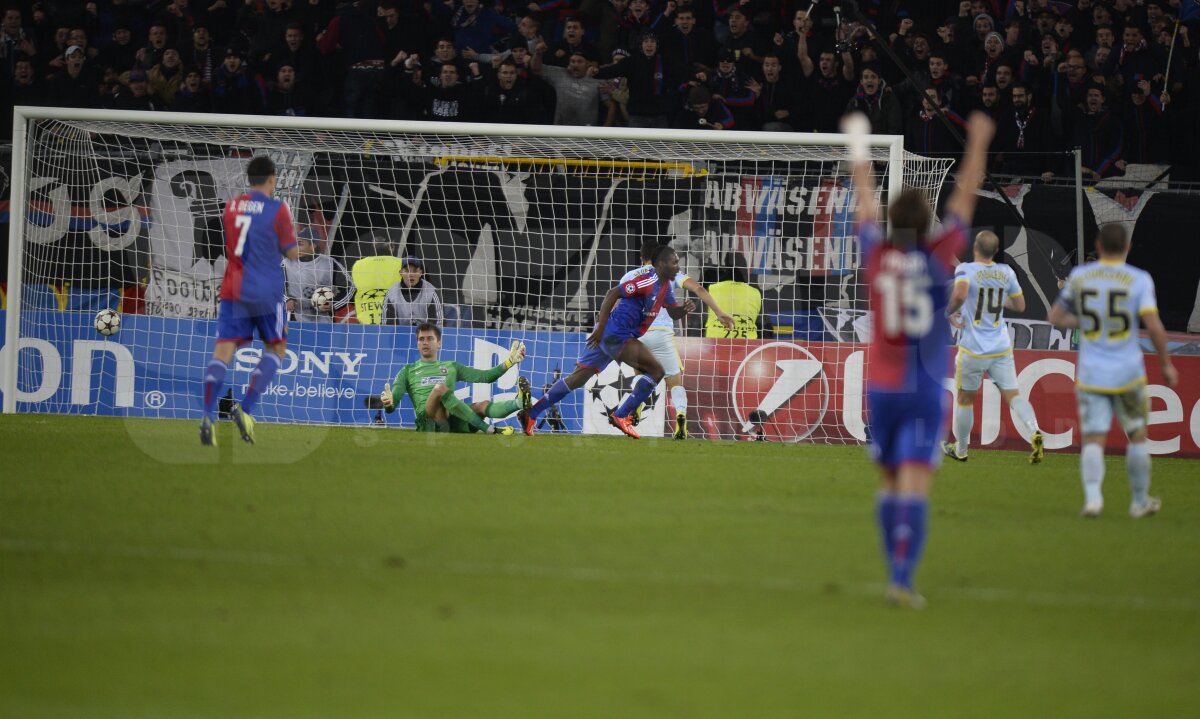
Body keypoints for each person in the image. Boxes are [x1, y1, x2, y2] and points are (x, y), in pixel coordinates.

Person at [844, 110, 995, 608]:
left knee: (888, 481)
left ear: (891, 222)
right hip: (926, 385)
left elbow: (865, 202)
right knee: (916, 482)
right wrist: (976, 143)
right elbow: (966, 195)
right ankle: (902, 578)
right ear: (926, 223)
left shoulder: (876, 252)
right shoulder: (937, 254)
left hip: (882, 386)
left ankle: (894, 571)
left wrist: (859, 145)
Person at [1048, 224, 1178, 519]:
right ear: (1128, 248)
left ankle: (1093, 499)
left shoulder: (1081, 276)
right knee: (1137, 435)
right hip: (1128, 372)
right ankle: (1139, 501)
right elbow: (1154, 326)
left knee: (1094, 438)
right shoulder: (1139, 279)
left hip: (1092, 371)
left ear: (1098, 244)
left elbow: (1055, 317)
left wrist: (1086, 323)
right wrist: (1166, 363)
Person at [520, 245, 694, 439]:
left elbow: (672, 311)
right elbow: (612, 293)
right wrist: (601, 328)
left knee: (577, 378)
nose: (678, 267)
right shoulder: (647, 281)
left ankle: (531, 414)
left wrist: (683, 310)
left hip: (612, 334)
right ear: (661, 264)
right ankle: (621, 415)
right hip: (615, 333)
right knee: (656, 371)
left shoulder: (665, 286)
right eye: (675, 262)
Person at [199, 156, 299, 447]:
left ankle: (207, 415)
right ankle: (245, 409)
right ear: (272, 178)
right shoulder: (278, 208)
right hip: (266, 289)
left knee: (222, 352)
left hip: (233, 287)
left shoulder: (231, 206)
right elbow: (292, 253)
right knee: (276, 349)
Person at [942, 231, 1043, 464]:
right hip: (1000, 348)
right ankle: (1035, 431)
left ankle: (961, 449)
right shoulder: (1006, 272)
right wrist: (998, 299)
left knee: (965, 399)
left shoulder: (966, 269)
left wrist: (949, 313)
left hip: (973, 348)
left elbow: (959, 295)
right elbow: (1020, 305)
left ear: (975, 247)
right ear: (996, 251)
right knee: (1014, 395)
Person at [623, 240, 734, 440]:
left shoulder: (630, 276)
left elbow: (617, 303)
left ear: (641, 258)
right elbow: (699, 289)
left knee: (640, 373)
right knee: (674, 382)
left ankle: (635, 406)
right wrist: (718, 311)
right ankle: (681, 418)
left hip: (638, 334)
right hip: (662, 334)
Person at [380, 322, 530, 435]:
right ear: (417, 343)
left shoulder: (451, 367)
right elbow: (392, 405)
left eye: (430, 338)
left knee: (481, 405)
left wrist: (508, 362)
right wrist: (388, 403)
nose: (425, 342)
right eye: (421, 339)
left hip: (451, 420)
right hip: (428, 422)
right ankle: (489, 429)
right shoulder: (407, 370)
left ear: (439, 343)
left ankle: (519, 402)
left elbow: (485, 377)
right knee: (439, 388)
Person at [284, 228, 354, 323]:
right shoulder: (286, 263)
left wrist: (334, 304)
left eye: (300, 244)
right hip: (295, 320)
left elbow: (350, 287)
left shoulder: (330, 263)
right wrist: (287, 299)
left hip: (324, 322)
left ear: (313, 246)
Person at [704, 253, 763, 339]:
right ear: (745, 269)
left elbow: (696, 322)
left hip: (715, 345)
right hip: (748, 347)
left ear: (725, 269)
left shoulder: (712, 289)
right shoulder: (755, 293)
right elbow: (764, 325)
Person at [350, 236, 405, 325]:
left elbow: (353, 291)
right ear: (392, 245)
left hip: (366, 319)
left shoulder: (358, 265)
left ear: (374, 245)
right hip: (394, 320)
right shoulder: (402, 263)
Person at [382, 256, 444, 327]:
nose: (411, 274)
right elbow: (386, 326)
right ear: (401, 272)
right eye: (407, 271)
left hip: (425, 335)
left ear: (421, 272)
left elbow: (439, 325)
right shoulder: (391, 293)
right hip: (400, 335)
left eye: (415, 271)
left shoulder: (432, 293)